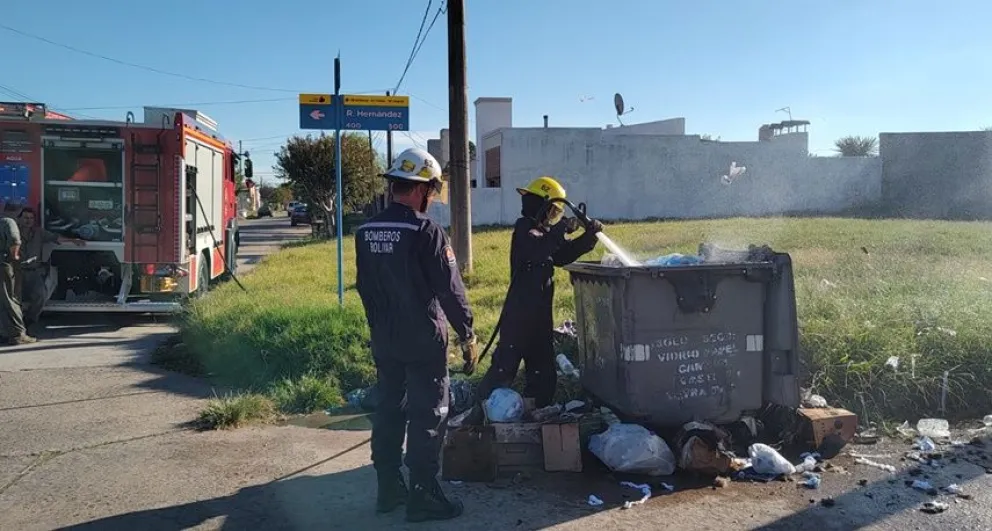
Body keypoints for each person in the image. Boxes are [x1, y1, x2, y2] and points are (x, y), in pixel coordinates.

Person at [354, 147, 478, 523]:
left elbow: (364, 287)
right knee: (428, 413)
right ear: (425, 189)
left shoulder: (365, 231)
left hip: (385, 337)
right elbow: (449, 289)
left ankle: (389, 488)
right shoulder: (427, 231)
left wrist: (379, 327)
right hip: (423, 338)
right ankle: (423, 494)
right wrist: (467, 333)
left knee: (389, 408)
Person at [478, 176, 603, 408]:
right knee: (503, 370)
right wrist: (560, 229)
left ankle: (536, 412)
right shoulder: (525, 228)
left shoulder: (545, 235)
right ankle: (481, 411)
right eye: (553, 212)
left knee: (544, 375)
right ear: (543, 205)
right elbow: (536, 250)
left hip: (539, 317)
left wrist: (589, 237)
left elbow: (562, 255)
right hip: (519, 315)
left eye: (557, 214)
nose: (552, 217)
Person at [17, 207, 84, 328]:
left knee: (40, 296)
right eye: (26, 218)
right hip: (17, 272)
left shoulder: (39, 233)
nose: (28, 221)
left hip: (34, 272)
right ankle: (15, 324)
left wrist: (73, 240)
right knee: (14, 299)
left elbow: (56, 238)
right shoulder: (13, 233)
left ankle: (30, 321)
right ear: (19, 219)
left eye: (31, 218)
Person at [0, 203, 35, 345]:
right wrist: (15, 256)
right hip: (3, 265)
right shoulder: (9, 222)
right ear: (17, 212)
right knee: (10, 300)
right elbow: (15, 239)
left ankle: (3, 332)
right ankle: (17, 334)